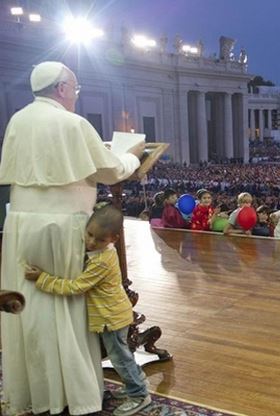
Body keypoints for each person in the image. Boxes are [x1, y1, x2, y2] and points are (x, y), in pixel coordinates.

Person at [0, 61, 144, 415]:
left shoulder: (18, 119)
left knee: (31, 310)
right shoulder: (73, 123)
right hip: (62, 226)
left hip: (20, 223)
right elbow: (110, 169)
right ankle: (75, 394)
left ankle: (39, 392)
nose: (76, 97)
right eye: (75, 90)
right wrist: (131, 155)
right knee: (65, 307)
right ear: (62, 87)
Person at [23, 205, 152, 415]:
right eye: (89, 234)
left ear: (114, 239)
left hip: (111, 317)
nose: (91, 242)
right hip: (112, 314)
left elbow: (77, 287)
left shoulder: (102, 260)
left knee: (120, 358)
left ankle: (139, 395)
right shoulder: (100, 253)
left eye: (99, 240)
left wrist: (42, 278)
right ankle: (135, 384)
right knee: (122, 355)